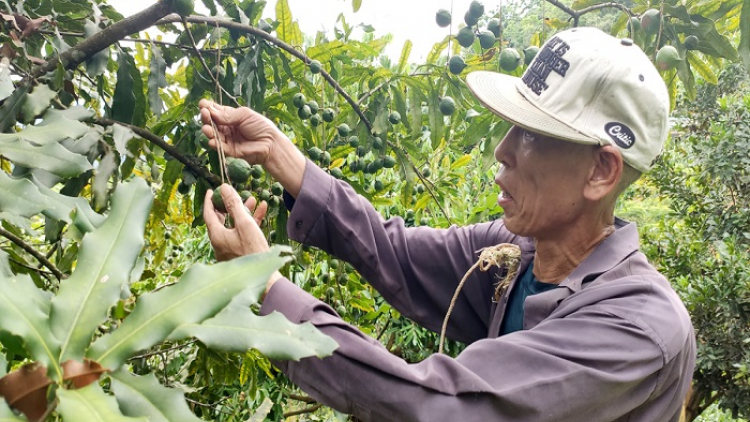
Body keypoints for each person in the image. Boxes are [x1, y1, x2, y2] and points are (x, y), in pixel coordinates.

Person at [199, 27, 695, 422]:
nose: (502, 151)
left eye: (531, 135)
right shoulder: (513, 254)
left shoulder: (638, 329)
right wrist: (281, 157)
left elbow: (438, 404)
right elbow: (392, 252)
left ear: (601, 171)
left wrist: (265, 288)